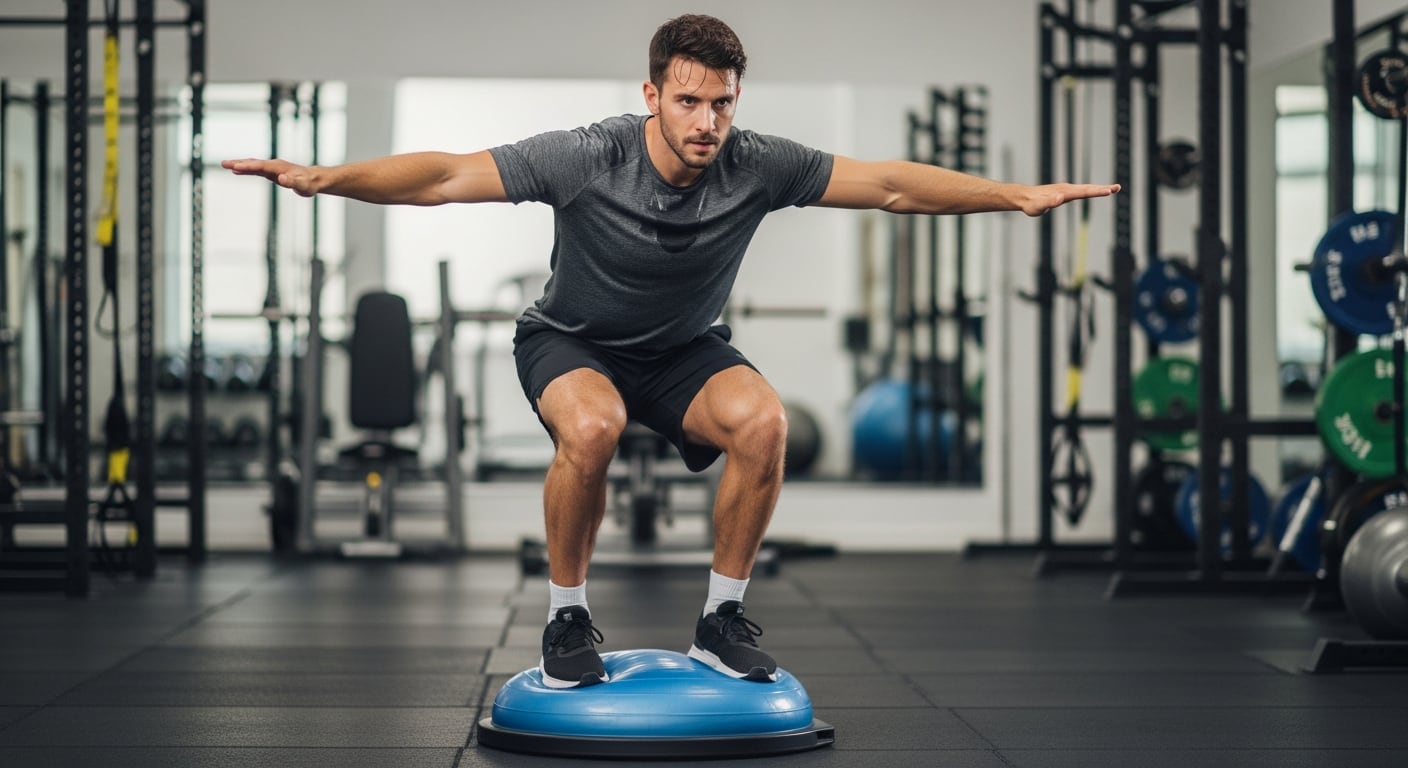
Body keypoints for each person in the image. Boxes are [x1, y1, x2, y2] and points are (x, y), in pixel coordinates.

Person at [224, 14, 1118, 691]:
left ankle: (721, 621)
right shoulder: (585, 157)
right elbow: (449, 175)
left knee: (763, 422)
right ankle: (566, 621)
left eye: (723, 101)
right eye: (688, 100)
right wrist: (326, 178)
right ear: (652, 94)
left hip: (684, 350)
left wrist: (1013, 196)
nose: (707, 120)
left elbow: (886, 185)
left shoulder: (759, 164)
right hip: (571, 342)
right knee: (595, 426)